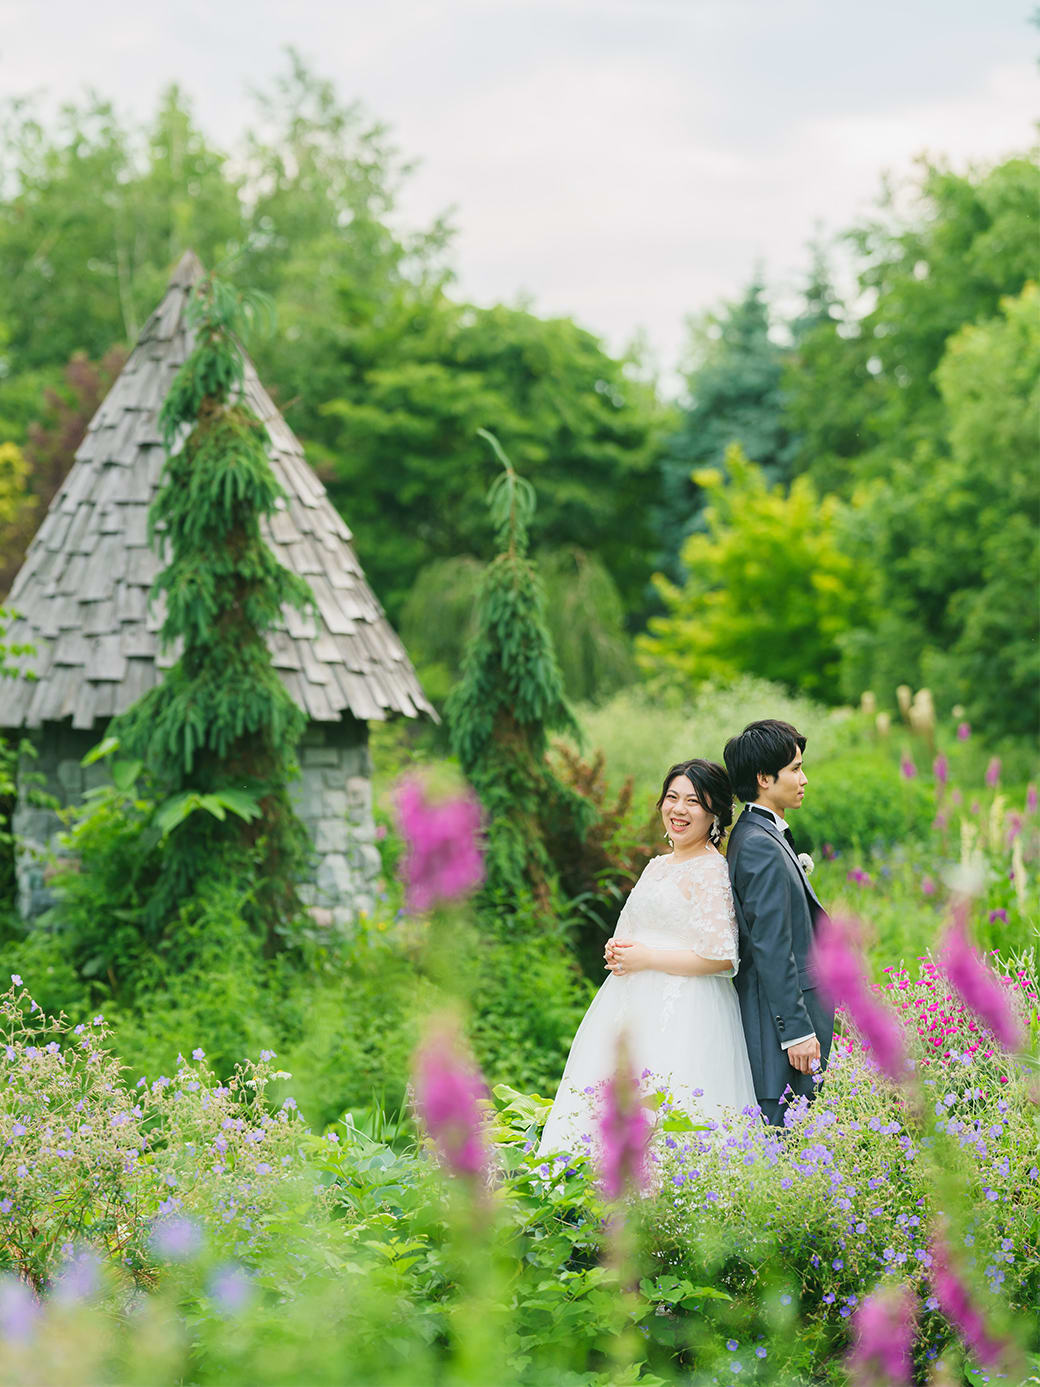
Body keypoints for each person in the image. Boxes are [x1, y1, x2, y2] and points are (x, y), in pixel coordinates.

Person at [537, 759, 757, 1158]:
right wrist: (618, 949)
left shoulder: (710, 870)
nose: (679, 809)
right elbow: (636, 927)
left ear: (714, 814)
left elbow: (723, 957)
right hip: (629, 1001)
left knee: (667, 1106)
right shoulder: (658, 866)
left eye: (693, 801)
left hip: (686, 1007)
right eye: (672, 797)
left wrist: (649, 958)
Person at [723, 719, 834, 1128]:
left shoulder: (760, 835)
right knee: (784, 1141)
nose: (803, 779)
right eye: (795, 769)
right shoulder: (758, 846)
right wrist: (797, 1032)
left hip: (785, 1023)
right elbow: (771, 947)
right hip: (778, 1032)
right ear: (764, 778)